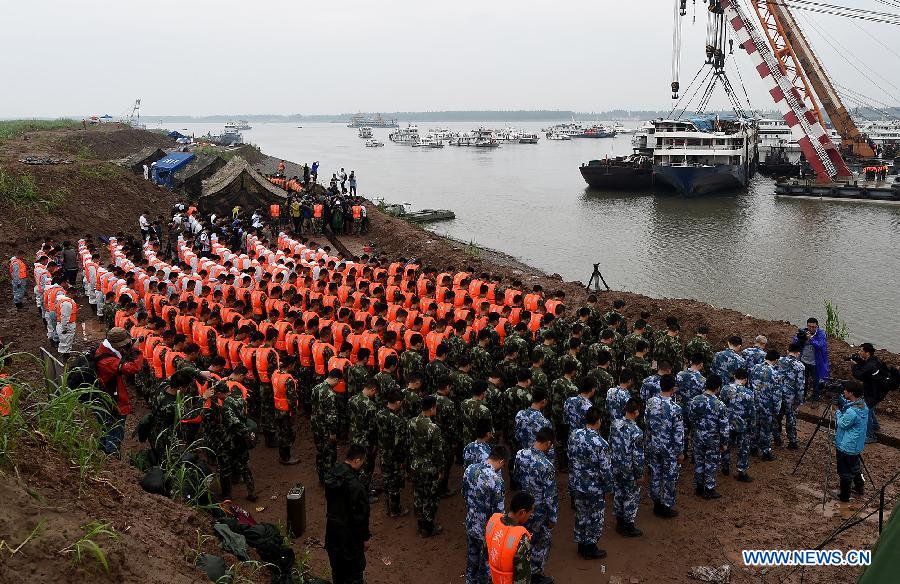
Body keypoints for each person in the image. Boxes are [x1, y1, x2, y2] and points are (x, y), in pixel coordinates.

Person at [512, 427, 557, 584]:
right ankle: (535, 575)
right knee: (541, 542)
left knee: (523, 539)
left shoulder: (520, 454)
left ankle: (522, 571)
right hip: (539, 511)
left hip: (522, 507)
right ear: (548, 443)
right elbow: (550, 496)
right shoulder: (546, 465)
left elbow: (516, 477)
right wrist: (553, 517)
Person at [567, 406, 613, 559]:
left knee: (581, 514)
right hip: (594, 488)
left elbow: (570, 455)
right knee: (595, 517)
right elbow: (605, 470)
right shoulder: (601, 444)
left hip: (577, 483)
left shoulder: (574, 435)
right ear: (598, 421)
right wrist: (609, 487)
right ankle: (590, 548)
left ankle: (581, 544)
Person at [324, 444, 371, 584]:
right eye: (362, 461)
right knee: (354, 574)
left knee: (337, 572)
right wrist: (366, 537)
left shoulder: (331, 475)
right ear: (356, 460)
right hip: (349, 539)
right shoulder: (356, 486)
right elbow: (361, 517)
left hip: (332, 534)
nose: (362, 464)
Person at [94, 327, 145, 454]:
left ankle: (103, 453)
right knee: (114, 432)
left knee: (106, 430)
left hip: (109, 396)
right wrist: (134, 351)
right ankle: (111, 458)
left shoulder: (106, 348)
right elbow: (132, 368)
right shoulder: (106, 360)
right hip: (112, 402)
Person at [462, 445, 508, 584]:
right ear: (501, 461)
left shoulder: (470, 469)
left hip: (470, 522)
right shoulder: (496, 480)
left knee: (472, 558)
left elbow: (464, 494)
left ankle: (470, 581)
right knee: (486, 564)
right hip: (487, 530)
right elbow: (499, 514)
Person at [644, 374, 683, 517]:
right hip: (669, 449)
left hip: (653, 445)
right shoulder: (675, 408)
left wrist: (648, 443)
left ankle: (657, 504)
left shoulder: (650, 403)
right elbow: (678, 433)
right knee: (670, 477)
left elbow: (647, 425)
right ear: (673, 389)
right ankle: (666, 506)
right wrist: (680, 452)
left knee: (655, 474)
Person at [408, 395, 445, 537]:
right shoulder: (433, 428)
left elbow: (409, 444)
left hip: (415, 465)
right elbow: (438, 452)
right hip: (429, 468)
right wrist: (441, 469)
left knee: (418, 495)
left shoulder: (411, 422)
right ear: (432, 408)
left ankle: (420, 524)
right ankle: (428, 528)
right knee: (431, 497)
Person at [688, 375, 729, 499]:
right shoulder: (720, 405)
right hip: (713, 438)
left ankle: (699, 486)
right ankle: (709, 488)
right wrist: (724, 442)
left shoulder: (694, 400)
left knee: (699, 460)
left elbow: (691, 418)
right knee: (711, 463)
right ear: (718, 388)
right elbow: (724, 426)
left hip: (698, 436)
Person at [610, 398, 643, 537]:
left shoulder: (615, 424)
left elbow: (610, 444)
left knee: (618, 492)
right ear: (636, 412)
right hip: (629, 469)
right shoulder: (636, 431)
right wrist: (640, 474)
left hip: (616, 466)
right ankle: (629, 525)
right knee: (631, 496)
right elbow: (638, 456)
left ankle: (619, 522)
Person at [485, 492, 535, 584]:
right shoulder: (521, 540)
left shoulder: (492, 523)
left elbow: (486, 553)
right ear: (522, 513)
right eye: (530, 513)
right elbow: (522, 580)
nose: (530, 516)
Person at [833, 383, 868, 502]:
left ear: (851, 393)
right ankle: (860, 487)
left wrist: (837, 412)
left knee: (845, 473)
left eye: (845, 391)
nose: (844, 392)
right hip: (856, 445)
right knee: (856, 468)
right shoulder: (863, 405)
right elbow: (849, 405)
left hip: (846, 446)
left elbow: (842, 423)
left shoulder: (852, 412)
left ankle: (844, 496)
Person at [719, 368, 755, 482]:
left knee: (726, 445)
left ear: (734, 376)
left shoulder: (725, 389)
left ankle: (725, 466)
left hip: (727, 424)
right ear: (745, 380)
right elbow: (751, 412)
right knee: (743, 448)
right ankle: (741, 471)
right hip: (742, 425)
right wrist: (752, 425)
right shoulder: (748, 393)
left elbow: (721, 405)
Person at [850, 343, 882, 444]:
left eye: (861, 351)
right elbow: (866, 368)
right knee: (870, 409)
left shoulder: (870, 365)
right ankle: (875, 426)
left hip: (871, 392)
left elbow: (860, 375)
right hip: (877, 390)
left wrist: (855, 366)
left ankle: (870, 436)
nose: (859, 352)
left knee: (866, 412)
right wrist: (860, 362)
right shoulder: (874, 360)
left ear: (867, 353)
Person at [796, 318, 829, 402]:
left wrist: (810, 338)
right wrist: (800, 338)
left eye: (813, 327)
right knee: (804, 381)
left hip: (815, 363)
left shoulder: (821, 334)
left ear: (817, 326)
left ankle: (815, 399)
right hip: (803, 361)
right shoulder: (804, 331)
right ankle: (802, 397)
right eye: (809, 326)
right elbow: (795, 342)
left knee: (816, 382)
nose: (811, 328)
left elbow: (820, 345)